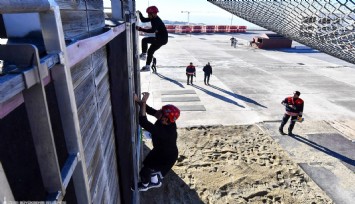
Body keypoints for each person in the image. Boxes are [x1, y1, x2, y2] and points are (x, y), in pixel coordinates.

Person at [134, 92, 180, 191]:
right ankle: (155, 182)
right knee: (147, 164)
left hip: (167, 157)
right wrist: (139, 101)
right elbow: (150, 111)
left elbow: (143, 122)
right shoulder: (167, 120)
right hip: (160, 150)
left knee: (145, 171)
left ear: (166, 119)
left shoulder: (166, 132)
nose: (159, 111)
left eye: (162, 112)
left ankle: (145, 185)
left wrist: (143, 103)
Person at [136, 6, 168, 72]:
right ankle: (147, 66)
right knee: (150, 51)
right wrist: (139, 13)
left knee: (144, 40)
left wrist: (140, 29)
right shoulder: (153, 18)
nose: (148, 15)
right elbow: (143, 20)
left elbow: (152, 30)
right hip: (161, 39)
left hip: (161, 39)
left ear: (152, 13)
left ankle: (143, 55)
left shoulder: (156, 20)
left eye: (148, 14)